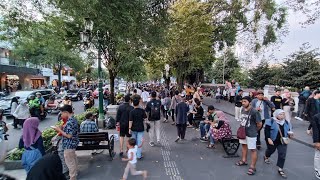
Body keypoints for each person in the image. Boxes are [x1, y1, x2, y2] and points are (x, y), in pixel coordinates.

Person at [236, 96, 262, 176]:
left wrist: (255, 130)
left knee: (253, 150)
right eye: (242, 101)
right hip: (243, 132)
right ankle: (244, 160)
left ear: (249, 102)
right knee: (244, 146)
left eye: (245, 101)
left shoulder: (254, 111)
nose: (243, 103)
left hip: (251, 134)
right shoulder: (242, 109)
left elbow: (259, 124)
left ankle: (252, 167)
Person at [52, 105, 79, 180]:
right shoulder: (73, 119)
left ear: (66, 112)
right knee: (73, 159)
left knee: (70, 162)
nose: (61, 115)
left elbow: (69, 135)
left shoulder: (70, 122)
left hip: (69, 144)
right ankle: (75, 174)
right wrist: (62, 128)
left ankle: (73, 177)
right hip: (72, 143)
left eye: (62, 113)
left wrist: (59, 130)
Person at [264, 109, 293, 179]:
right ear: (276, 114)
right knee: (271, 150)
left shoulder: (286, 122)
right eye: (280, 114)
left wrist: (290, 134)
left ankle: (280, 169)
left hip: (282, 141)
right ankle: (266, 156)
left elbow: (290, 129)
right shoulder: (270, 121)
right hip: (273, 140)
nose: (282, 116)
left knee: (282, 154)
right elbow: (266, 131)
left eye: (283, 114)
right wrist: (268, 138)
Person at [312, 112, 320, 179]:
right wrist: (317, 141)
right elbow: (315, 130)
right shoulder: (316, 117)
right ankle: (318, 171)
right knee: (318, 156)